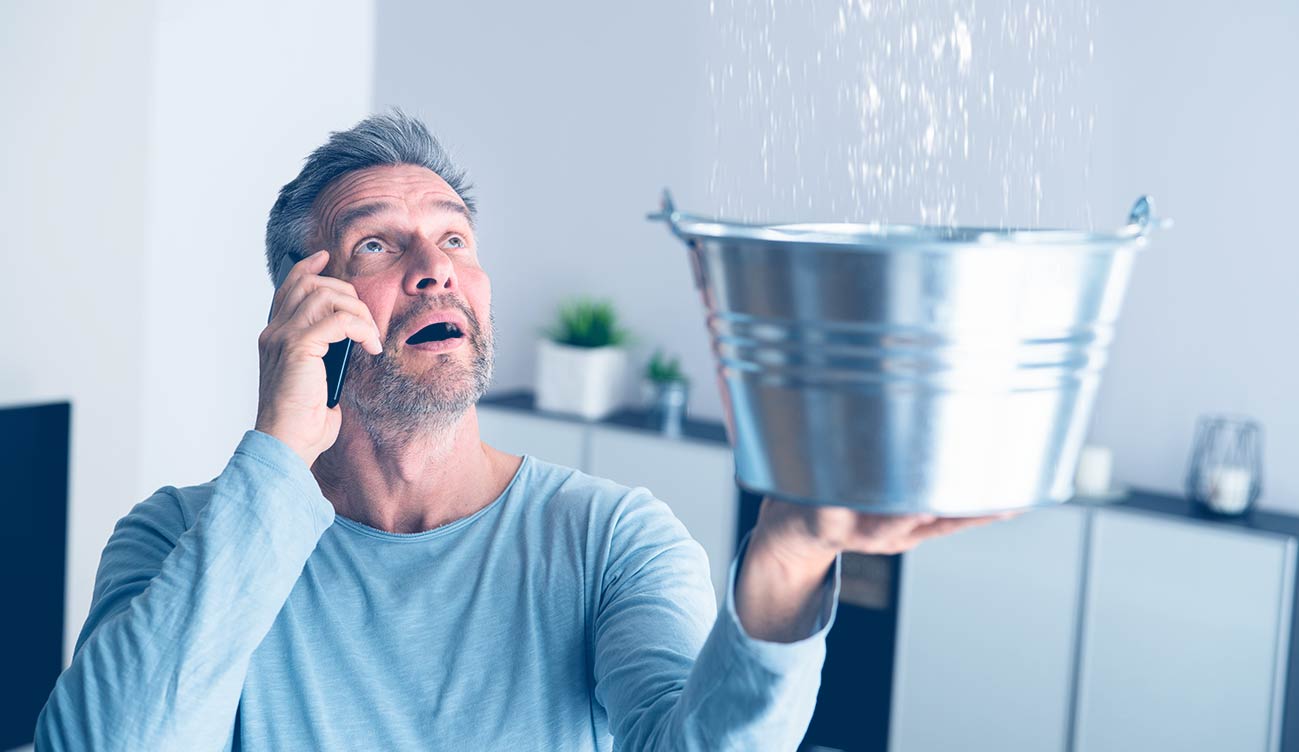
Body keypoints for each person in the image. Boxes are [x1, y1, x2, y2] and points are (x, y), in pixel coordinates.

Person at [34, 111, 1002, 751]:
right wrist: (279, 453)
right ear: (302, 306)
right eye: (378, 242)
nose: (435, 265)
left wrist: (787, 555)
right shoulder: (178, 539)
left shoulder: (609, 537)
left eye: (455, 237)